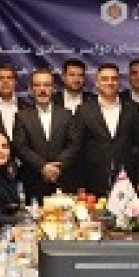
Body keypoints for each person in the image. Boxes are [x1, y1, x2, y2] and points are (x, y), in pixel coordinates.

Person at [74, 63, 139, 195]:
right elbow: (78, 149)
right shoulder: (84, 110)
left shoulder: (133, 108)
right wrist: (80, 184)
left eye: (114, 79)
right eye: (105, 79)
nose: (110, 82)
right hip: (94, 180)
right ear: (97, 83)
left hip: (128, 180)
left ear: (119, 82)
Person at [14, 68, 80, 201]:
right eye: (37, 85)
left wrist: (57, 167)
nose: (42, 89)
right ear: (31, 89)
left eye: (46, 85)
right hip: (34, 181)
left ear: (53, 89)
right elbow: (20, 147)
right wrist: (43, 167)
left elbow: (74, 145)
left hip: (63, 179)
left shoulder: (67, 114)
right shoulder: (21, 116)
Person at [0, 63, 27, 135]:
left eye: (9, 78)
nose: (5, 81)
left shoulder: (26, 107)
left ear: (15, 82)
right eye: (1, 78)